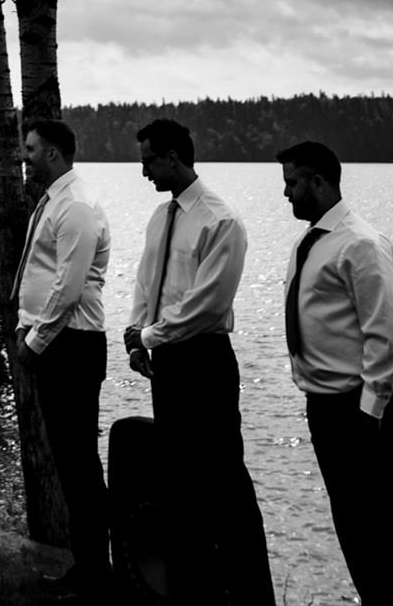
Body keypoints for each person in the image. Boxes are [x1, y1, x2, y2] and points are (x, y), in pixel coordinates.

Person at [123, 116, 274, 606]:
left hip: (204, 361)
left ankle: (252, 594)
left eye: (149, 161)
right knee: (179, 481)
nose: (144, 171)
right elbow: (147, 284)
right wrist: (135, 338)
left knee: (225, 480)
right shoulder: (160, 218)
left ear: (172, 157)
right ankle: (192, 589)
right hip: (166, 359)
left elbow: (204, 306)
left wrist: (150, 334)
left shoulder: (220, 220)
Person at [276, 139, 393, 606]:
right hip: (327, 407)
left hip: (362, 408)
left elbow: (385, 335)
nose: (287, 194)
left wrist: (370, 412)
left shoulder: (361, 243)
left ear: (318, 182)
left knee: (388, 528)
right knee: (353, 528)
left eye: (292, 183)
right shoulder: (310, 242)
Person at [14, 118, 112, 602]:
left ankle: (95, 571)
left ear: (53, 153)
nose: (24, 156)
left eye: (30, 149)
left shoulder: (73, 206)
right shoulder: (55, 200)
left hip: (69, 346)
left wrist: (34, 343)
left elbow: (68, 290)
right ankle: (88, 566)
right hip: (58, 341)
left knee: (78, 465)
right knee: (71, 463)